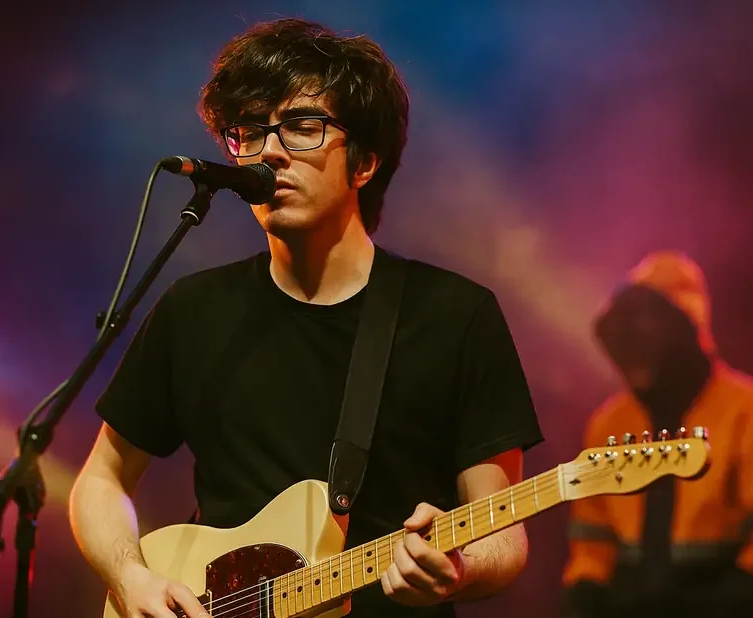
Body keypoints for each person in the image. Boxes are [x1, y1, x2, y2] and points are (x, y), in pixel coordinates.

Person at [68, 17, 543, 618]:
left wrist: (459, 568)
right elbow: (100, 481)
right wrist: (131, 578)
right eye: (250, 132)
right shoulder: (192, 311)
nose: (268, 151)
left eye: (301, 127)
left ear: (365, 162)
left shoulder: (456, 317)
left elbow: (503, 530)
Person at [560, 251, 753, 618]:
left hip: (728, 600)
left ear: (686, 333)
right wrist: (586, 590)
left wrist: (724, 602)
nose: (633, 352)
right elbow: (591, 544)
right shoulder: (608, 423)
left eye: (648, 333)